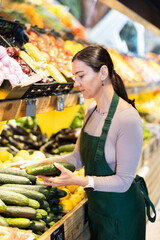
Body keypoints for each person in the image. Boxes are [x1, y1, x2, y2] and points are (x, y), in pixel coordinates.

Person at [8, 45, 155, 239]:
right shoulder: (91, 110)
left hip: (122, 214)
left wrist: (78, 180)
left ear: (103, 72)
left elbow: (123, 181)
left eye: (81, 76)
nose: (75, 83)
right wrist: (37, 163)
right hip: (97, 210)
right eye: (74, 77)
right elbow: (77, 158)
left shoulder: (127, 118)